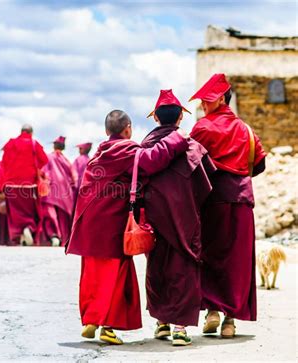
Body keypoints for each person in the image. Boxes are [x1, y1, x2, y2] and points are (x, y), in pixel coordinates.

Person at [66, 110, 190, 345]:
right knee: (116, 274)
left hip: (88, 223)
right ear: (128, 129)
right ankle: (107, 327)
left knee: (93, 273)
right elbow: (153, 160)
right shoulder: (126, 151)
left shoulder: (99, 154)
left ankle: (92, 319)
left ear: (106, 132)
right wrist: (177, 138)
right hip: (110, 223)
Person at [189, 74, 267, 338]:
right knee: (238, 259)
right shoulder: (247, 130)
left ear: (221, 98)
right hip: (242, 200)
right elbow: (259, 164)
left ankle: (211, 310)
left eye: (205, 100)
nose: (202, 105)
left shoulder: (202, 128)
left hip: (212, 200)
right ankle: (230, 321)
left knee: (211, 254)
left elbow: (190, 164)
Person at [141, 89, 216, 346]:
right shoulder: (192, 146)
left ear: (156, 118)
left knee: (157, 267)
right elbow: (206, 185)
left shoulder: (145, 147)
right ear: (180, 119)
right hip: (185, 218)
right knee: (183, 268)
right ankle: (180, 328)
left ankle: (161, 323)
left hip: (154, 218)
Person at [0, 124, 48, 245]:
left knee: (15, 212)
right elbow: (44, 160)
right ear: (31, 133)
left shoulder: (10, 144)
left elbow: (4, 164)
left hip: (11, 185)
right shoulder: (34, 144)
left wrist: (2, 185)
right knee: (30, 210)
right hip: (29, 185)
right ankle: (28, 228)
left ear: (21, 131)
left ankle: (19, 235)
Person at [40, 136, 77, 246]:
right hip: (66, 194)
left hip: (51, 191)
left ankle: (54, 235)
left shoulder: (48, 157)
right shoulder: (67, 161)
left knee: (50, 215)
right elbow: (74, 179)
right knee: (63, 218)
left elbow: (43, 173)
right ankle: (63, 239)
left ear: (54, 145)